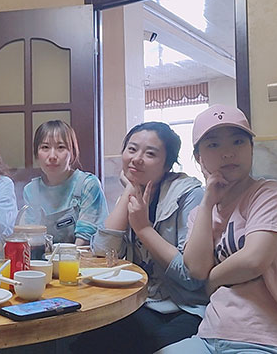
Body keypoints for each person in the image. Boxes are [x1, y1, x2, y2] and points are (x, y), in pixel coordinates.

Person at [159, 104, 277, 354]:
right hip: (211, 334)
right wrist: (207, 203)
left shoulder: (269, 194)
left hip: (274, 339)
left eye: (238, 142)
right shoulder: (201, 213)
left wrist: (212, 280)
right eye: (213, 145)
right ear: (199, 158)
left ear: (251, 149)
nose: (228, 153)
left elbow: (253, 260)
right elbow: (196, 268)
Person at [77, 122, 206, 353]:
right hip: (140, 302)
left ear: (167, 165)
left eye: (150, 154)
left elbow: (190, 276)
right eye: (132, 149)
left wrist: (143, 228)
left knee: (142, 346)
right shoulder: (132, 193)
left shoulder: (189, 195)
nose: (137, 159)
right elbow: (102, 255)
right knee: (84, 340)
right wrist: (129, 189)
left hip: (185, 307)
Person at [21, 120, 108, 245]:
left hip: (81, 255)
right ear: (36, 154)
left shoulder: (87, 185)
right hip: (43, 257)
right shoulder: (31, 190)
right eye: (45, 147)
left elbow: (86, 238)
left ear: (72, 153)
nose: (52, 156)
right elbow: (31, 237)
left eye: (60, 147)